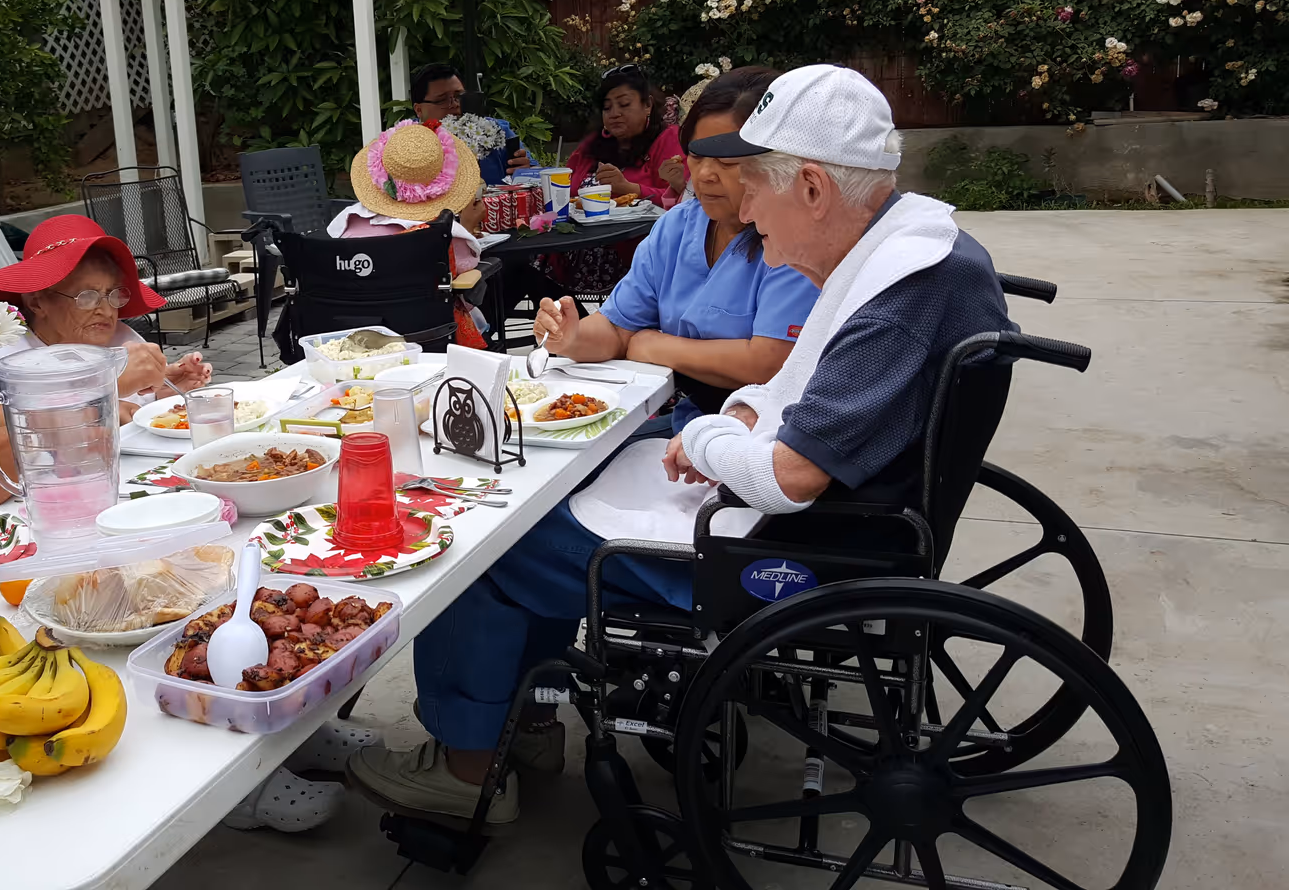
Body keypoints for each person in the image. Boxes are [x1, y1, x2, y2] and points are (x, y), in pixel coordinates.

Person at [350, 64, 1016, 825]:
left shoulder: (900, 290)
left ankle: (471, 765)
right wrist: (734, 419)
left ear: (811, 188)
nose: (744, 209)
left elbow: (792, 476)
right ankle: (523, 727)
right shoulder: (909, 248)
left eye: (753, 184)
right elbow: (790, 387)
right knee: (551, 495)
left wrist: (702, 432)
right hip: (850, 512)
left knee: (488, 536)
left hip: (793, 544)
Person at [536, 66, 819, 436]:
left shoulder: (793, 238)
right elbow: (618, 327)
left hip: (768, 435)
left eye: (728, 161)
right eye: (696, 155)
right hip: (693, 422)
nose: (704, 175)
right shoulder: (678, 226)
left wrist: (653, 346)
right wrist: (570, 337)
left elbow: (769, 361)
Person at [0, 214, 212, 507]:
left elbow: (136, 417)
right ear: (37, 301)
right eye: (87, 296)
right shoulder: (1, 354)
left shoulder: (120, 339)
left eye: (113, 294)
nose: (106, 310)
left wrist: (160, 393)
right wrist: (107, 388)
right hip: (46, 504)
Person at [329, 118, 490, 349]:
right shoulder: (443, 234)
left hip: (355, 333)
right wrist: (466, 224)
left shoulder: (347, 226)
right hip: (426, 335)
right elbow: (466, 266)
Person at [567, 65, 686, 208]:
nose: (614, 113)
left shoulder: (669, 139)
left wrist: (628, 188)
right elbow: (564, 185)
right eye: (607, 107)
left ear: (647, 105)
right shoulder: (592, 143)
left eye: (624, 104)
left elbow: (684, 199)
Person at [410, 63, 532, 185]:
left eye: (459, 96)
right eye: (442, 100)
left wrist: (525, 171)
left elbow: (534, 173)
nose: (454, 104)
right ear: (419, 110)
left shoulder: (494, 130)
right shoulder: (404, 145)